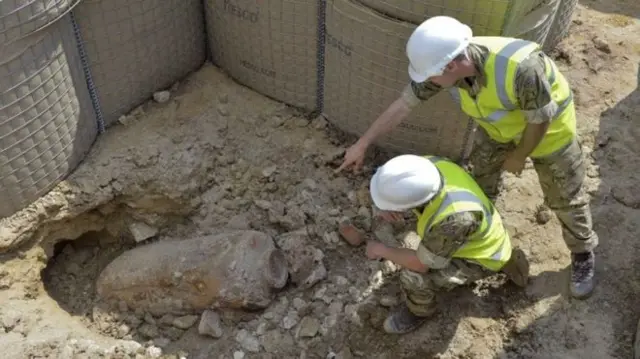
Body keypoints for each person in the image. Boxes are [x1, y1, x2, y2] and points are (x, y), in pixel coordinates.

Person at [336, 15, 598, 299]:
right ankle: (485, 242)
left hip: (550, 137)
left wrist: (520, 156)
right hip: (498, 133)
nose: (429, 83)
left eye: (430, 76)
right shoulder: (449, 65)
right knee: (480, 187)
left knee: (565, 199)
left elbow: (539, 121)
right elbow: (403, 105)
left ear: (449, 65)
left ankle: (583, 253)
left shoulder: (521, 68)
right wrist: (363, 144)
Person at [362, 154, 529, 334]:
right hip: (483, 228)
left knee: (412, 277)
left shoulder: (453, 220)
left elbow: (420, 264)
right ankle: (510, 260)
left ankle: (419, 312)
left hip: (481, 256)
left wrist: (381, 249)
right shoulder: (429, 165)